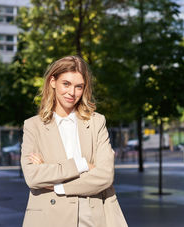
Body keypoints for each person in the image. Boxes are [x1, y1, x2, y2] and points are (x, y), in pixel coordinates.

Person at [21, 55, 128, 227]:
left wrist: (58, 186)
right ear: (52, 81)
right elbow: (33, 177)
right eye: (66, 84)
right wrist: (82, 165)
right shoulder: (33, 126)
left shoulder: (96, 122)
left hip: (92, 214)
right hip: (50, 217)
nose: (72, 92)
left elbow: (105, 175)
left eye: (79, 87)